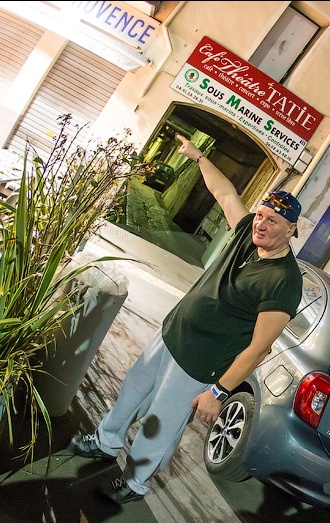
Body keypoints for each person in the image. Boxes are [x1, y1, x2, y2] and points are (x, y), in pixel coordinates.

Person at [68, 134, 303, 504]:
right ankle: (105, 441)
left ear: (291, 229)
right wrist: (197, 157)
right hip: (171, 333)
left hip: (199, 364)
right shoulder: (247, 234)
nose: (261, 224)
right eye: (260, 215)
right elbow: (225, 194)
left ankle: (135, 482)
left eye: (272, 221)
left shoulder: (284, 282)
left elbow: (258, 349)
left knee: (159, 425)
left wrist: (218, 391)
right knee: (132, 391)